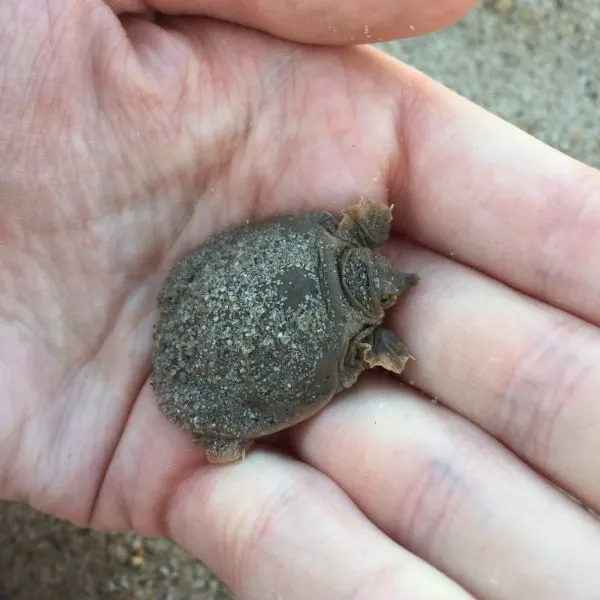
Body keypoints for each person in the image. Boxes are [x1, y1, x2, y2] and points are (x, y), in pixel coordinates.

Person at [1, 0, 599, 598]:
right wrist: (368, 356)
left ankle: (223, 431)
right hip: (201, 354)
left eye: (386, 287)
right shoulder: (349, 309)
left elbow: (341, 358)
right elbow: (346, 371)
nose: (394, 284)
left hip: (191, 311)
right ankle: (222, 433)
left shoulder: (324, 236)